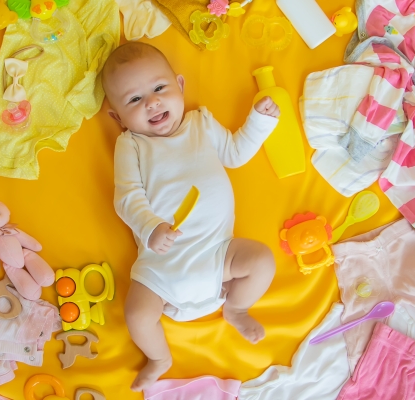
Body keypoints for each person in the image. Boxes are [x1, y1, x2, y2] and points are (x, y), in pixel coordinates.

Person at [103, 42, 280, 391]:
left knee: (261, 260)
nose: (152, 102)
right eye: (134, 100)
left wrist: (259, 122)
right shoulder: (132, 145)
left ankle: (236, 309)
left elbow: (234, 153)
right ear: (117, 118)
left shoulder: (201, 123)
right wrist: (151, 227)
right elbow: (127, 198)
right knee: (137, 315)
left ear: (180, 86)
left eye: (158, 89)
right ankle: (159, 357)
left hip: (218, 254)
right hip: (161, 263)